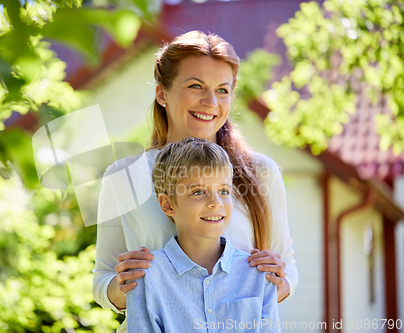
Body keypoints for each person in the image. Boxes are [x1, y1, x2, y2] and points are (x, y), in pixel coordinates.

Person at [92, 30, 297, 332]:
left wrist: (274, 283)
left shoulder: (261, 172)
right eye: (195, 86)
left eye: (223, 90)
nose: (210, 102)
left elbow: (287, 266)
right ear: (162, 93)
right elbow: (102, 280)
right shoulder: (123, 178)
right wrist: (125, 285)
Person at [126, 137, 280, 333]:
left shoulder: (258, 275)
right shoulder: (146, 278)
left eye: (224, 191)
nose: (216, 202)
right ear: (167, 204)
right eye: (198, 192)